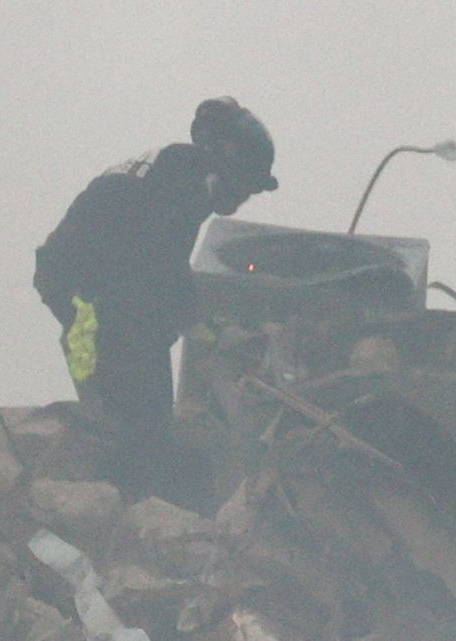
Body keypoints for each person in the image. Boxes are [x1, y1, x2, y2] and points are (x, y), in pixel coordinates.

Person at [33, 96, 278, 507]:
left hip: (84, 282)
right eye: (247, 185)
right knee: (144, 409)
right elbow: (163, 268)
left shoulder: (176, 168)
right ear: (228, 164)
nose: (243, 199)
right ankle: (122, 501)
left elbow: (157, 273)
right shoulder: (185, 180)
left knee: (127, 388)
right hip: (89, 289)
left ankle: (118, 479)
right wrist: (212, 328)